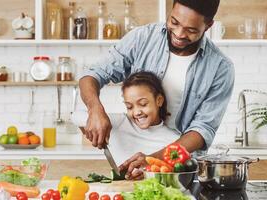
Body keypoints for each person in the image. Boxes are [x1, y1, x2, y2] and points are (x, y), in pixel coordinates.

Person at [78, 0, 234, 179]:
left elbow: (202, 130)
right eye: (174, 22)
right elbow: (92, 75)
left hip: (178, 166)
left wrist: (154, 161)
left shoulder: (220, 68)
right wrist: (95, 109)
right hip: (133, 160)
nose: (179, 34)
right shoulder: (143, 38)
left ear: (208, 26)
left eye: (191, 30)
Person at [72, 72, 180, 167]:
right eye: (129, 107)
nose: (137, 112)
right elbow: (75, 116)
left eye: (143, 104)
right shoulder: (120, 123)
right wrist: (96, 120)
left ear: (159, 101)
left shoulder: (174, 139)